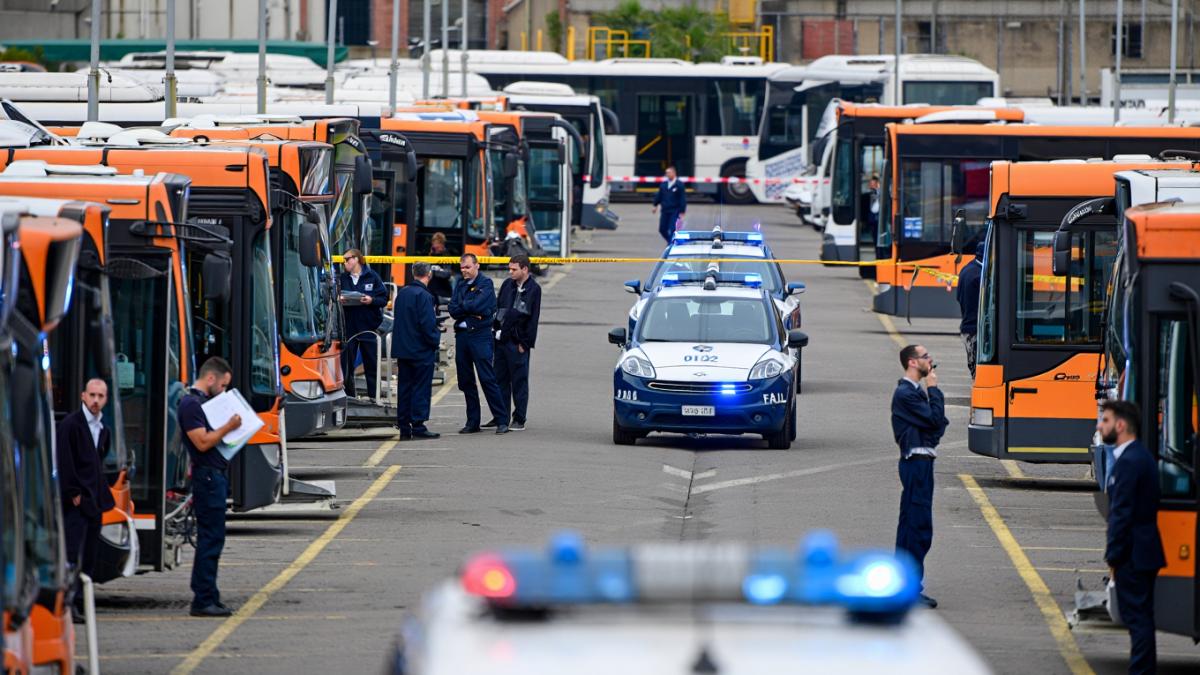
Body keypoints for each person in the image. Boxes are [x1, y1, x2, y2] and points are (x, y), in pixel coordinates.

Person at [1099, 400, 1165, 675]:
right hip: (1144, 551)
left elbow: (1121, 515)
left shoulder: (1129, 462)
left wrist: (1113, 557)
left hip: (1133, 555)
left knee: (1138, 621)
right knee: (1142, 619)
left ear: (1121, 425)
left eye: (1105, 420)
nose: (1100, 425)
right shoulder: (1140, 457)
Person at [180, 357, 244, 618]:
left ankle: (210, 595)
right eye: (223, 386)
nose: (224, 391)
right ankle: (203, 598)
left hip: (214, 476)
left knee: (214, 537)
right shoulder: (190, 405)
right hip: (207, 478)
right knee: (210, 537)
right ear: (210, 379)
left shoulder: (201, 403)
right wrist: (229, 426)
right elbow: (202, 442)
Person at [891, 344, 949, 609]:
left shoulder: (913, 393)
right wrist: (934, 390)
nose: (931, 360)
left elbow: (938, 426)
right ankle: (910, 588)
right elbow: (936, 420)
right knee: (918, 526)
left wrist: (933, 422)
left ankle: (902, 584)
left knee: (911, 525)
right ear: (913, 363)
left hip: (921, 460)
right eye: (926, 356)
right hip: (916, 462)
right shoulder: (906, 394)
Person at [56, 378, 117, 621]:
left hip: (94, 502)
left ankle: (80, 602)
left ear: (106, 399)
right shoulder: (71, 424)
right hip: (77, 503)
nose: (95, 400)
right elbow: (64, 461)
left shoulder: (103, 429)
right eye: (92, 395)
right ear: (83, 395)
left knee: (89, 555)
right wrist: (74, 495)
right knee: (72, 554)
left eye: (100, 396)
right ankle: (68, 605)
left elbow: (98, 463)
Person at [448, 253, 509, 434]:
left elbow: (479, 306)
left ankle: (502, 420)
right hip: (462, 336)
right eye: (462, 268)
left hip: (480, 335)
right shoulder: (459, 284)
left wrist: (464, 307)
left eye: (467, 267)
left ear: (477, 266)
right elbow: (453, 309)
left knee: (487, 378)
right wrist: (467, 307)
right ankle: (473, 422)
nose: (464, 271)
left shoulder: (485, 283)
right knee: (466, 380)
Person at [488, 254, 542, 432]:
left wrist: (525, 343)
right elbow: (499, 308)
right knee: (500, 379)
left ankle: (519, 418)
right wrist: (495, 331)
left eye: (514, 269)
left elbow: (532, 319)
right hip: (501, 340)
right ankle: (501, 416)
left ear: (525, 269)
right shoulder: (507, 285)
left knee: (519, 381)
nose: (510, 272)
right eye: (509, 268)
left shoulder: (534, 289)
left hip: (517, 342)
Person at [391, 261, 442, 440]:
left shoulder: (402, 293)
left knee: (404, 388)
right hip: (420, 350)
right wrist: (436, 340)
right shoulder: (425, 296)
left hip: (403, 350)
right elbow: (427, 324)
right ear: (429, 275)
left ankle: (404, 426)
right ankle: (418, 425)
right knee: (420, 388)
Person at [339, 248, 389, 399]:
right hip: (349, 327)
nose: (345, 263)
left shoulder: (372, 277)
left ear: (357, 259)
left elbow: (384, 298)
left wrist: (371, 300)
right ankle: (349, 396)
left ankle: (374, 396)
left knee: (371, 364)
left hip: (368, 327)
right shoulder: (342, 278)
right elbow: (333, 297)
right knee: (347, 365)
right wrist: (340, 300)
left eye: (347, 259)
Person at [955, 239, 984, 378]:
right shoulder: (979, 275)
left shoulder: (967, 268)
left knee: (973, 364)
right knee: (976, 366)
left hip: (967, 325)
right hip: (974, 328)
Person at [652, 165, 687, 243]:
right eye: (666, 173)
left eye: (669, 173)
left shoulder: (679, 184)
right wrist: (655, 205)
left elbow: (682, 198)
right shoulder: (663, 184)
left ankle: (671, 244)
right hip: (665, 210)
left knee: (672, 228)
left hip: (675, 210)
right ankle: (670, 241)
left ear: (674, 173)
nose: (667, 174)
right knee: (662, 229)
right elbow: (659, 195)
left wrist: (682, 211)